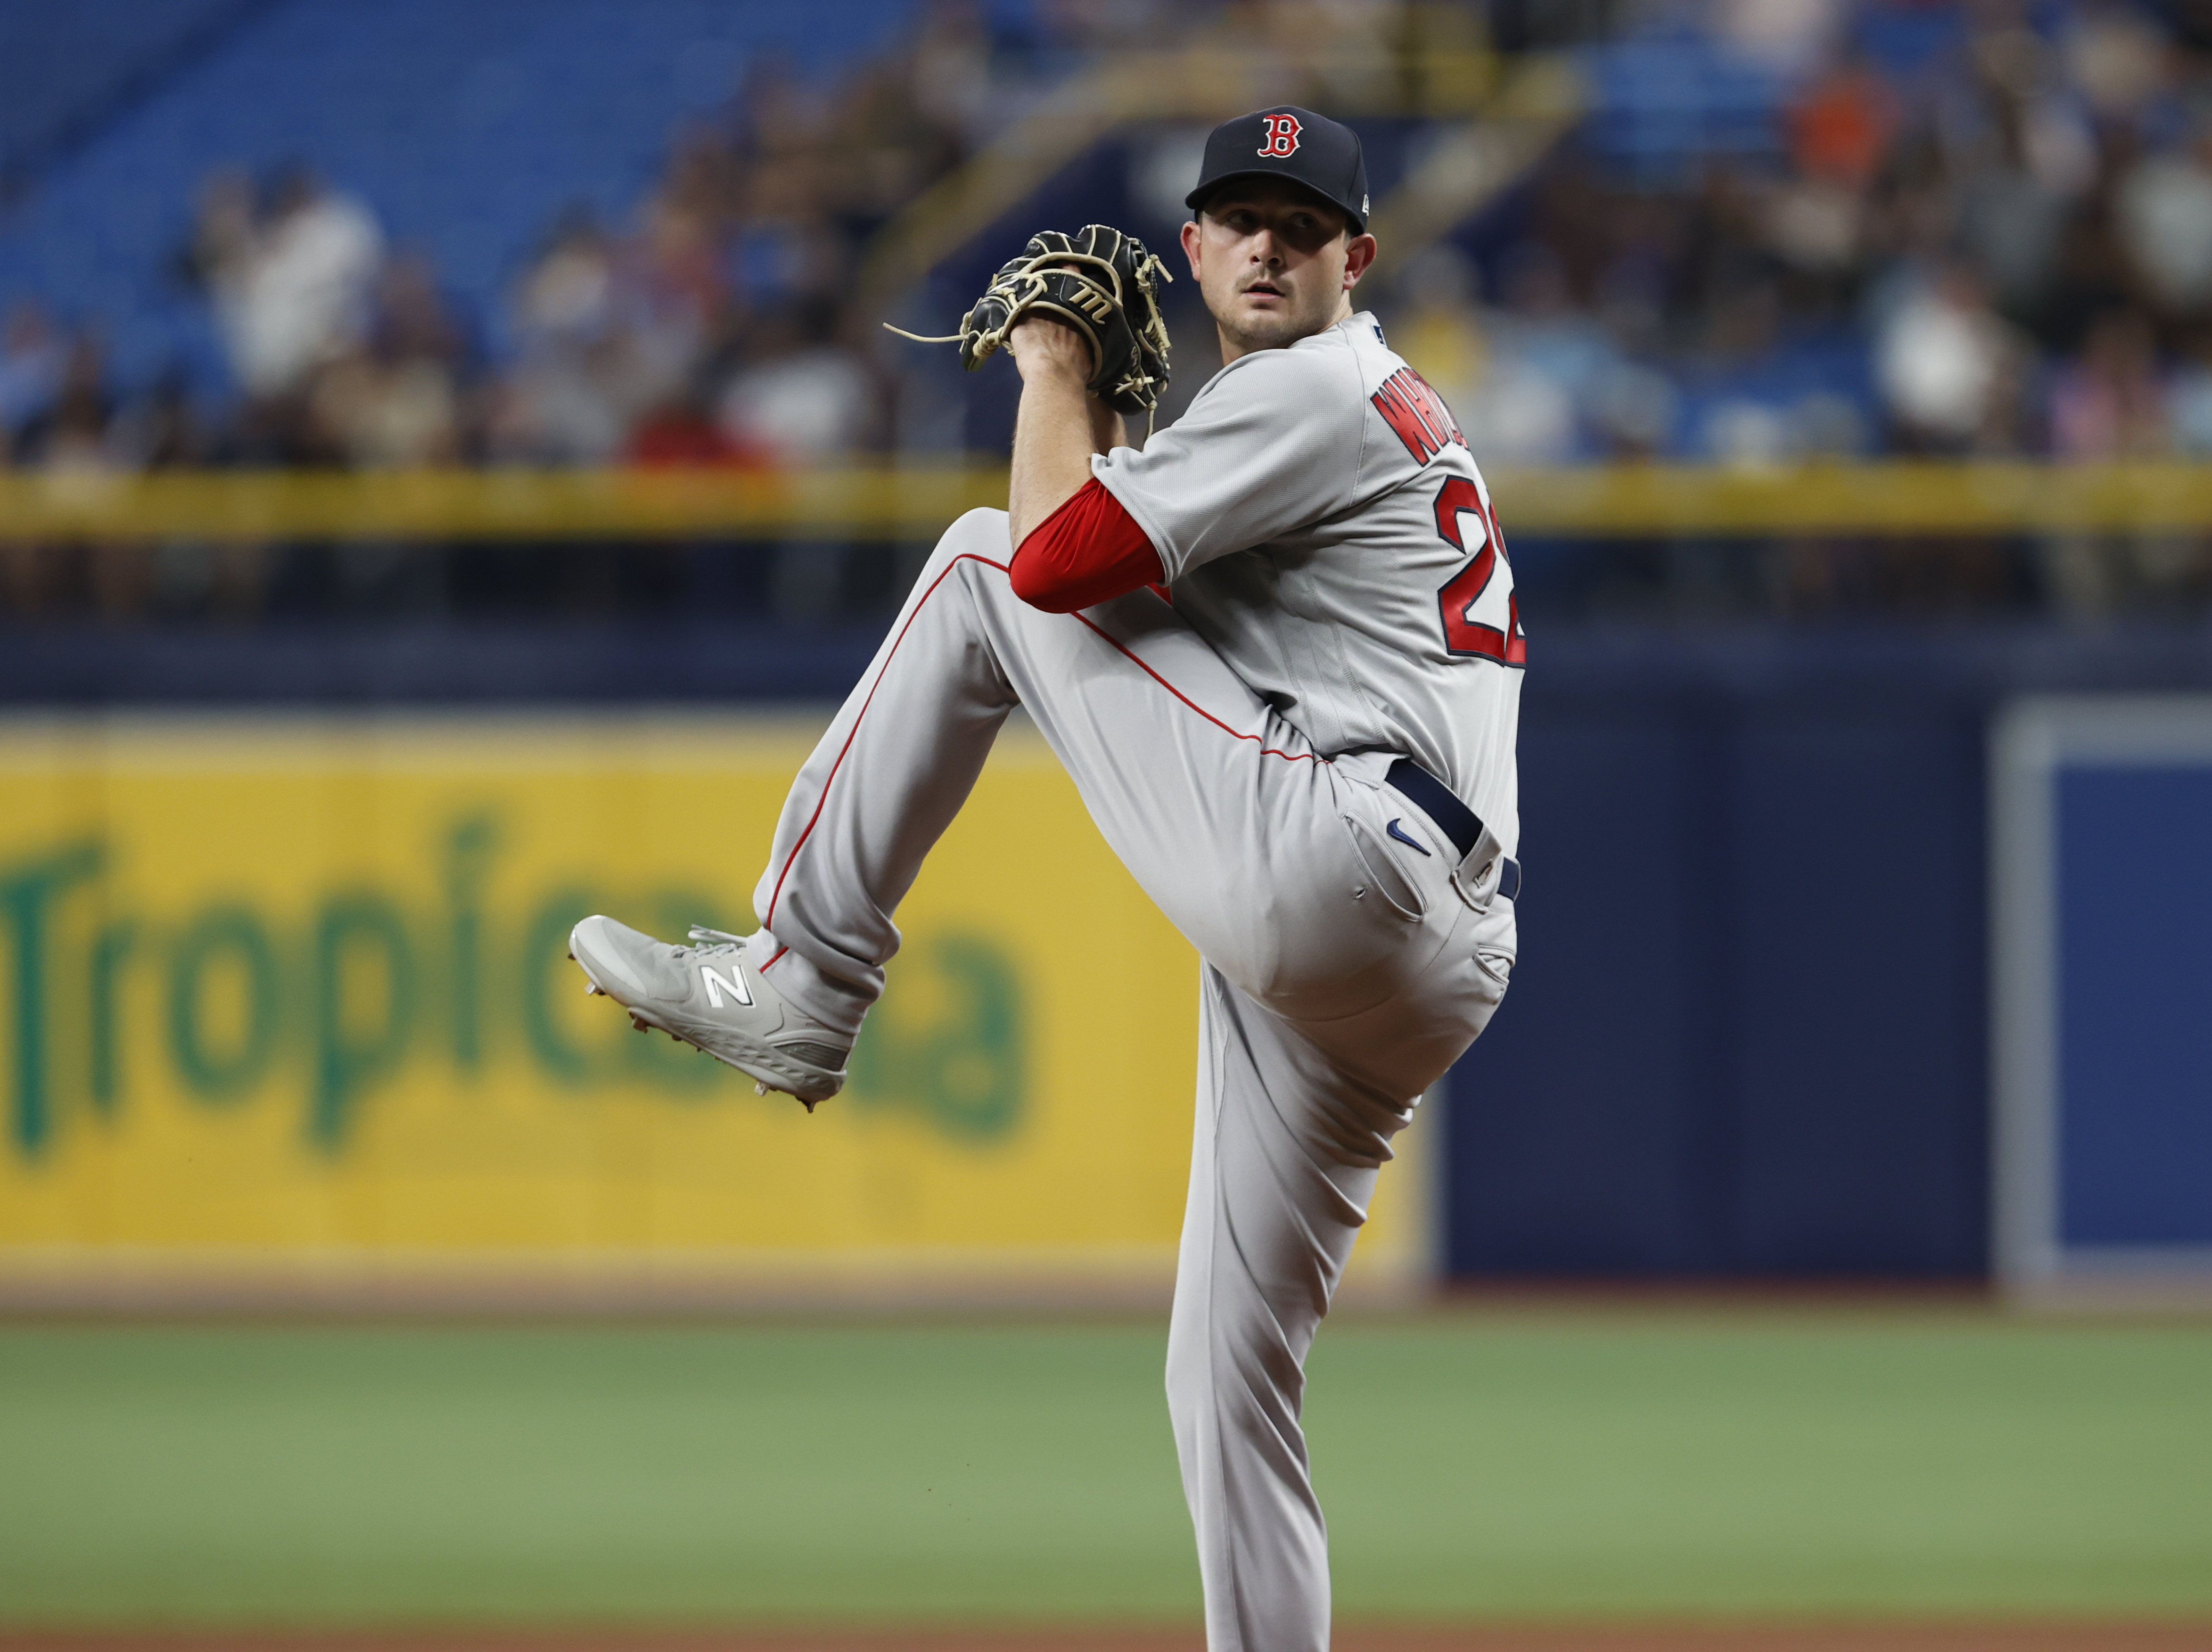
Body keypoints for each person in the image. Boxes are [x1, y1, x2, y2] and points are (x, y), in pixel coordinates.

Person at [568, 107, 1523, 1652]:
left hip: (1343, 858)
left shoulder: (1316, 387)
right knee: (1225, 1377)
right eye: (1240, 218)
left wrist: (1049, 366)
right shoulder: (1340, 410)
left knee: (968, 564)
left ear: (1359, 257)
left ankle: (805, 978)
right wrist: (1106, 436)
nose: (1269, 244)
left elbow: (1050, 563)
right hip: (1424, 945)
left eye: (1303, 224)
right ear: (1197, 246)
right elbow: (1146, 579)